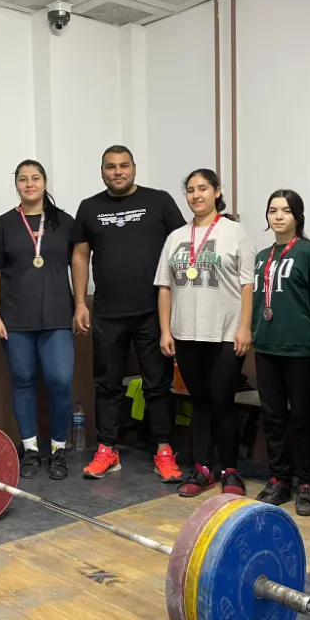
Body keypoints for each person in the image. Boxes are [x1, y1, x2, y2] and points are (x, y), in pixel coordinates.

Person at [72, 145, 187, 481]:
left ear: (134, 168)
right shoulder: (89, 208)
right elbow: (79, 256)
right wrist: (80, 302)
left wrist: (180, 299)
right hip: (107, 312)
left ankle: (164, 450)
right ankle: (108, 449)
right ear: (102, 171)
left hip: (153, 311)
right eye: (110, 167)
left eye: (123, 166)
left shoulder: (159, 201)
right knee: (107, 384)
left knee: (157, 384)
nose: (117, 172)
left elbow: (181, 247)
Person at [154, 168, 254, 497]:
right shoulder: (176, 238)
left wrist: (244, 327)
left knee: (222, 401)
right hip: (186, 333)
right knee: (198, 403)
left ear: (217, 191)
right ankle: (201, 469)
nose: (196, 195)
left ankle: (230, 471)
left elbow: (246, 284)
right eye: (191, 190)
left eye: (203, 188)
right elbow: (165, 287)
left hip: (225, 333)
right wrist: (166, 331)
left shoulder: (234, 233)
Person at [0, 160, 82, 480]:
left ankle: (57, 448)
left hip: (56, 316)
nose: (30, 184)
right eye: (23, 179)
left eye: (35, 178)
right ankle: (29, 449)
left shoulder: (64, 222)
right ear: (16, 184)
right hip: (15, 317)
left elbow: (78, 264)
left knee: (60, 380)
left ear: (45, 182)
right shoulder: (2, 225)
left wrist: (81, 303)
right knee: (23, 380)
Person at [251, 190, 310, 516]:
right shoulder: (261, 256)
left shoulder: (309, 253)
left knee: (304, 418)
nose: (278, 216)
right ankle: (279, 478)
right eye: (272, 210)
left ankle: (307, 483)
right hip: (267, 347)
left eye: (285, 210)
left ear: (298, 215)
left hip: (302, 350)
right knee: (273, 417)